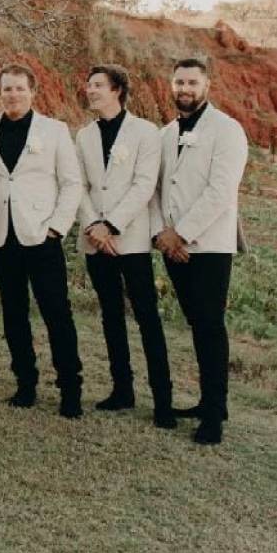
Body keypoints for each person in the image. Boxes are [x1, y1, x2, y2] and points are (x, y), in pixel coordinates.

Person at [0, 63, 84, 417]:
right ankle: (25, 384)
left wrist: (57, 227)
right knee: (14, 313)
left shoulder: (54, 130)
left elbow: (71, 183)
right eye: (7, 89)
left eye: (20, 88)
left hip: (42, 236)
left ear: (32, 91)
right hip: (1, 235)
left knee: (56, 312)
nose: (13, 94)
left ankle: (70, 388)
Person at [151, 57, 248, 445]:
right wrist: (163, 234)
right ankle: (211, 402)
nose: (184, 89)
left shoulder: (227, 130)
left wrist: (183, 234)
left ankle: (213, 414)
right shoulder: (164, 133)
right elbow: (156, 189)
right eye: (178, 82)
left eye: (192, 82)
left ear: (206, 85)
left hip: (208, 245)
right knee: (196, 323)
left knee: (209, 325)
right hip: (171, 245)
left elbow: (221, 191)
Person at [76, 65, 174, 428]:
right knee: (110, 315)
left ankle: (163, 400)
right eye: (89, 85)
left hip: (129, 239)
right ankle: (122, 390)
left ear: (117, 90)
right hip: (94, 240)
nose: (90, 90)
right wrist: (93, 226)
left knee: (147, 317)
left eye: (98, 85)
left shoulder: (146, 132)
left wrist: (112, 225)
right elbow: (80, 186)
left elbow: (144, 185)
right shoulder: (84, 136)